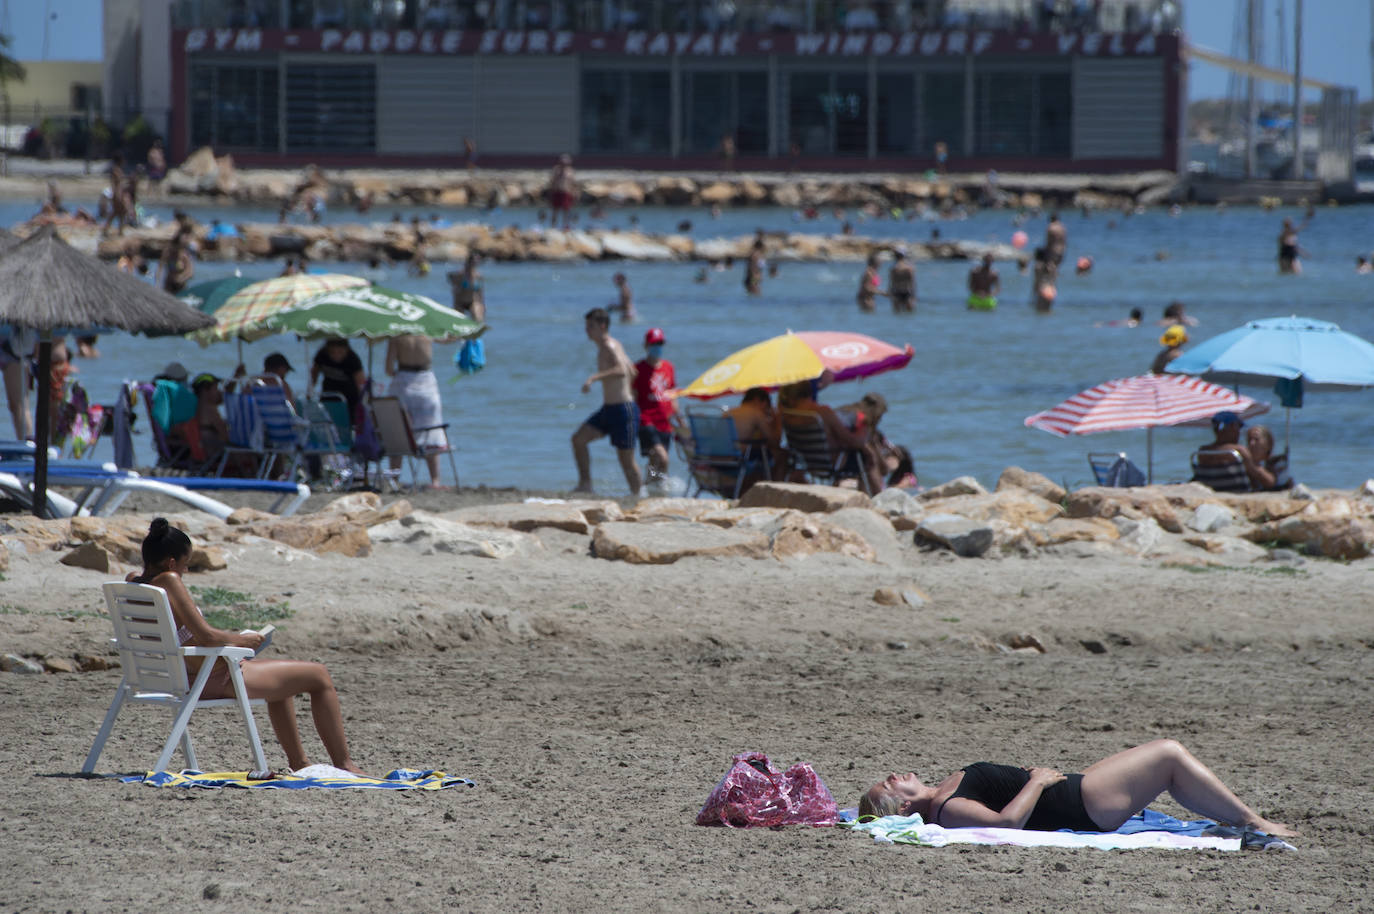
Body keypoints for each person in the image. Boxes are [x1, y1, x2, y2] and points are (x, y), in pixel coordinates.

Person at [128, 518, 365, 775]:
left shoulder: (133, 583)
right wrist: (244, 640)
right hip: (210, 677)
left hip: (173, 676)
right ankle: (345, 764)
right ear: (172, 563)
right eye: (186, 565)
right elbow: (206, 636)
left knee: (285, 682)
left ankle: (300, 763)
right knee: (319, 675)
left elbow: (190, 635)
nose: (185, 572)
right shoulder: (169, 581)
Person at [858, 739, 1296, 837]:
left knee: (1163, 760)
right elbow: (1008, 823)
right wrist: (1035, 781)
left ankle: (1245, 819)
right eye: (887, 784)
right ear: (899, 805)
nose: (894, 774)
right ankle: (1253, 822)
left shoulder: (943, 794)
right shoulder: (945, 811)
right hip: (1086, 805)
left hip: (1079, 789)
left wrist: (1028, 780)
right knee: (1169, 754)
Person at [572, 308, 641, 494]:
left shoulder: (610, 346)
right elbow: (633, 371)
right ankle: (586, 485)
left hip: (623, 410)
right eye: (587, 326)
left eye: (591, 326)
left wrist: (594, 378)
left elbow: (622, 370)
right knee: (578, 439)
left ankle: (639, 497)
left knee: (626, 461)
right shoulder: (612, 345)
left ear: (602, 326)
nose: (587, 330)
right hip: (609, 409)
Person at [778, 379, 884, 494]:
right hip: (831, 463)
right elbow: (851, 440)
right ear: (810, 392)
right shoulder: (823, 412)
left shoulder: (785, 414)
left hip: (806, 462)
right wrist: (864, 433)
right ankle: (872, 499)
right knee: (866, 459)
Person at [384, 334, 447, 489]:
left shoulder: (397, 334)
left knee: (398, 431)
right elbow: (447, 338)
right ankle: (435, 481)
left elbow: (389, 368)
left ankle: (395, 478)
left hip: (403, 382)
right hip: (426, 382)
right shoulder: (427, 331)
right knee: (432, 430)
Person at [632, 327, 684, 487]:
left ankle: (647, 487)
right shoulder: (638, 369)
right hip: (646, 420)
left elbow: (672, 395)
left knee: (654, 461)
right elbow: (632, 397)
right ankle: (662, 488)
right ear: (646, 345)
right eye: (654, 344)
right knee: (663, 458)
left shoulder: (669, 367)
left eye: (660, 343)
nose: (657, 347)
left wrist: (680, 421)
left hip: (665, 422)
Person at [1193, 410, 1272, 492]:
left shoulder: (1202, 452)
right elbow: (1268, 482)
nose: (1239, 432)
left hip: (1214, 493)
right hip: (1238, 494)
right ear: (1233, 426)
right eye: (1239, 427)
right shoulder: (1238, 451)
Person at [311, 338, 367, 426]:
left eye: (340, 352)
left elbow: (361, 383)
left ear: (346, 350)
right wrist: (311, 389)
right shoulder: (322, 355)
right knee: (328, 423)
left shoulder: (352, 359)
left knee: (347, 425)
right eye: (332, 352)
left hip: (349, 400)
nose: (336, 355)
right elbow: (314, 372)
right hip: (328, 397)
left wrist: (362, 404)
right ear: (327, 350)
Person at [1, 325, 34, 440]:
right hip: (10, 342)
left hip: (12, 343)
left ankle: (27, 445)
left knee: (19, 404)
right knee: (14, 405)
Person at [156, 211, 196, 294]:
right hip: (168, 284)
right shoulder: (168, 252)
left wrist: (180, 278)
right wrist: (157, 283)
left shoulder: (184, 255)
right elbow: (160, 267)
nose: (175, 250)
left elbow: (190, 273)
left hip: (180, 286)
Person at [1245, 424, 1293, 491]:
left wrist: (1253, 467)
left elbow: (1271, 483)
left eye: (1256, 439)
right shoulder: (1244, 463)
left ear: (1268, 443)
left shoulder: (1278, 462)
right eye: (1249, 440)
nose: (1252, 443)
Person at [448, 253, 485, 323]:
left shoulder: (479, 276)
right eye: (474, 261)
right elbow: (451, 280)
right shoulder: (461, 274)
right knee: (458, 321)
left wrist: (483, 305)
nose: (476, 263)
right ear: (469, 262)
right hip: (460, 302)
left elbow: (480, 292)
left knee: (478, 318)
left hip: (473, 302)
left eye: (478, 261)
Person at [547, 154, 577, 230]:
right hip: (557, 191)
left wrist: (574, 193)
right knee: (555, 210)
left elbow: (573, 183)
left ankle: (565, 226)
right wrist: (550, 192)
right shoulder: (556, 170)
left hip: (566, 192)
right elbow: (552, 182)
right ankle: (553, 227)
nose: (564, 164)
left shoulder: (570, 171)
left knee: (566, 210)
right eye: (563, 162)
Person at [887, 248, 915, 313]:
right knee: (909, 314)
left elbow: (891, 283)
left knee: (897, 314)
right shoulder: (909, 268)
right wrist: (914, 295)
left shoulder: (893, 269)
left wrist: (890, 293)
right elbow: (912, 282)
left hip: (896, 291)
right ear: (904, 257)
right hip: (907, 291)